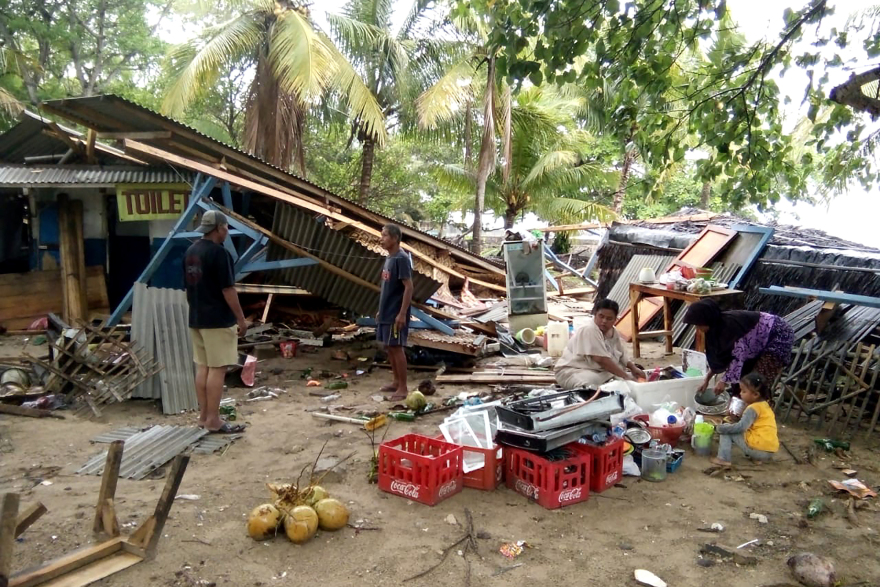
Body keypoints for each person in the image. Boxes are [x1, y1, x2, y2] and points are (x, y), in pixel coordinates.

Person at [184, 210, 247, 434]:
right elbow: (228, 289)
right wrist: (240, 318)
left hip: (196, 318)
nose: (227, 231)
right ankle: (213, 420)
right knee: (218, 370)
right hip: (218, 320)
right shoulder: (220, 254)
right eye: (226, 227)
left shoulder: (191, 251)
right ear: (219, 228)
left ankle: (203, 417)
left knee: (203, 367)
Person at [683, 299, 794, 397]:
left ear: (707, 320)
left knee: (756, 381)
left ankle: (761, 412)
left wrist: (723, 381)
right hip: (756, 341)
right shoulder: (715, 329)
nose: (698, 328)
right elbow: (721, 358)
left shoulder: (729, 328)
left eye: (699, 325)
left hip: (777, 335)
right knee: (740, 380)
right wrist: (707, 380)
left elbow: (738, 357)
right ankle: (738, 409)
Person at [555, 298, 646, 389]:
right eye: (601, 316)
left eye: (609, 318)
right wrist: (625, 376)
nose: (604, 321)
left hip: (598, 371)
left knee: (620, 378)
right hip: (572, 371)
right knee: (591, 382)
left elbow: (622, 355)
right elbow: (601, 359)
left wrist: (633, 368)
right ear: (595, 315)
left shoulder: (613, 332)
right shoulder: (589, 329)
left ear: (615, 320)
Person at [377, 224, 413, 401]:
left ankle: (404, 388)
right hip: (386, 312)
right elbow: (387, 288)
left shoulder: (401, 258)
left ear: (395, 238)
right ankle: (396, 381)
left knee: (397, 348)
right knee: (389, 347)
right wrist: (381, 311)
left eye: (384, 236)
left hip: (395, 313)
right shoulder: (389, 258)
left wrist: (402, 313)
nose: (381, 239)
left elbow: (408, 287)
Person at [711, 372, 778, 466]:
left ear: (755, 395)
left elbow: (741, 427)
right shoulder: (764, 405)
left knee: (726, 430)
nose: (740, 394)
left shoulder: (753, 409)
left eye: (743, 391)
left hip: (759, 449)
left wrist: (719, 428)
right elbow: (750, 425)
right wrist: (735, 418)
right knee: (753, 432)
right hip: (770, 450)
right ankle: (756, 459)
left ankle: (723, 458)